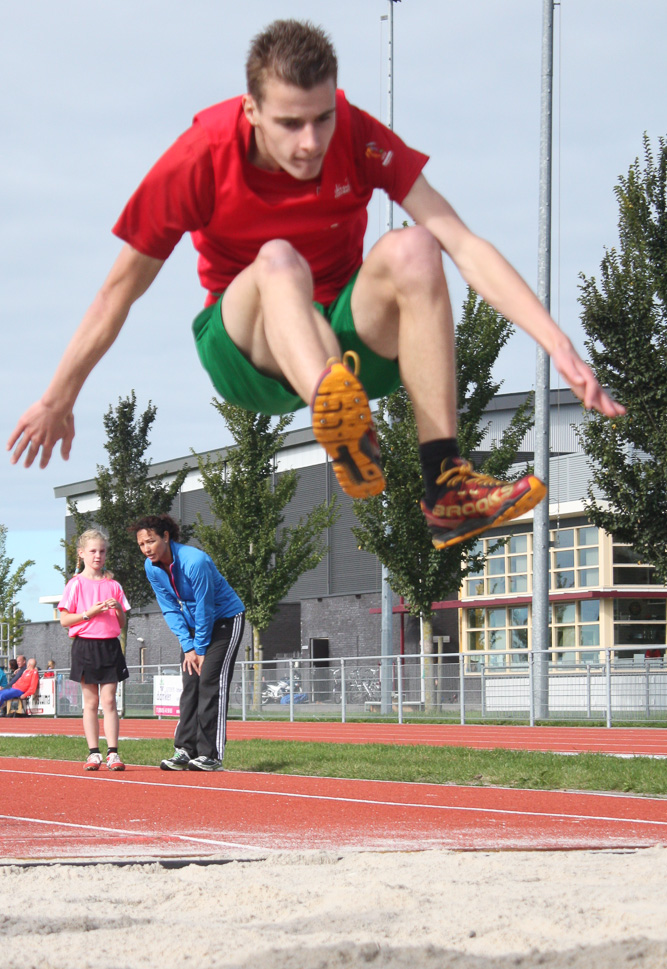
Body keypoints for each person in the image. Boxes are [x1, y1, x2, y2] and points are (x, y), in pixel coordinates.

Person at [7, 19, 625, 550]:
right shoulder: (200, 157)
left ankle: (445, 484)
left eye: (322, 119)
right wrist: (61, 395)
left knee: (415, 245)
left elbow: (463, 244)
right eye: (290, 123)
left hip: (346, 332)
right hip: (249, 345)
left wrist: (554, 340)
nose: (310, 143)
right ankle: (338, 413)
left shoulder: (355, 134)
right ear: (251, 111)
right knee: (279, 259)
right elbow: (119, 289)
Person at [130, 514, 244, 772]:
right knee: (190, 684)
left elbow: (205, 607)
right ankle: (185, 749)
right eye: (141, 545)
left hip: (225, 621)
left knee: (209, 682)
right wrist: (188, 645)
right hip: (194, 626)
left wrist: (200, 648)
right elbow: (169, 608)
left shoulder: (195, 562)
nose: (147, 549)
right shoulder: (152, 567)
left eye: (151, 541)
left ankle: (210, 754)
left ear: (166, 537)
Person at [58, 529, 130, 772]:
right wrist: (90, 613)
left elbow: (120, 622)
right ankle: (93, 753)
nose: (98, 555)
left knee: (109, 701)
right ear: (81, 554)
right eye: (93, 551)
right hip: (85, 646)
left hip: (110, 646)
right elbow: (65, 620)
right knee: (91, 702)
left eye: (102, 551)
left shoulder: (113, 585)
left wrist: (118, 607)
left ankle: (113, 753)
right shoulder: (75, 584)